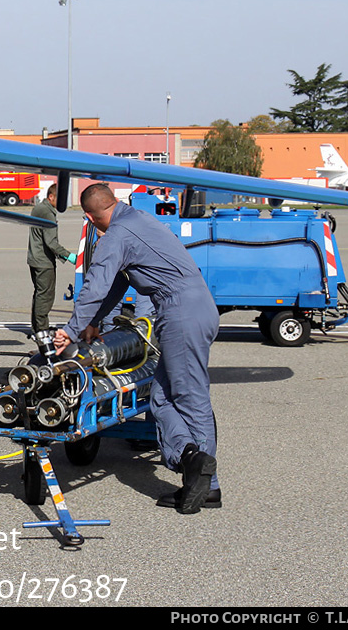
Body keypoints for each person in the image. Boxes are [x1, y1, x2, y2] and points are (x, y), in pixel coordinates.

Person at [53, 183, 220, 514]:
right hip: (192, 306)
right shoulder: (137, 220)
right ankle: (190, 461)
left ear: (90, 217)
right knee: (161, 397)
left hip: (181, 311)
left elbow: (96, 283)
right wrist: (95, 321)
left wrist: (70, 331)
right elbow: (118, 282)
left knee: (188, 396)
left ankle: (205, 480)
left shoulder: (116, 235)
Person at [26, 183, 77, 334]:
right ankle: (42, 330)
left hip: (35, 258)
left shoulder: (39, 208)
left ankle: (37, 327)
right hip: (43, 261)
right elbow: (51, 242)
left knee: (39, 294)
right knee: (46, 296)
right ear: (51, 197)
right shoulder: (47, 213)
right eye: (59, 199)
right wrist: (69, 256)